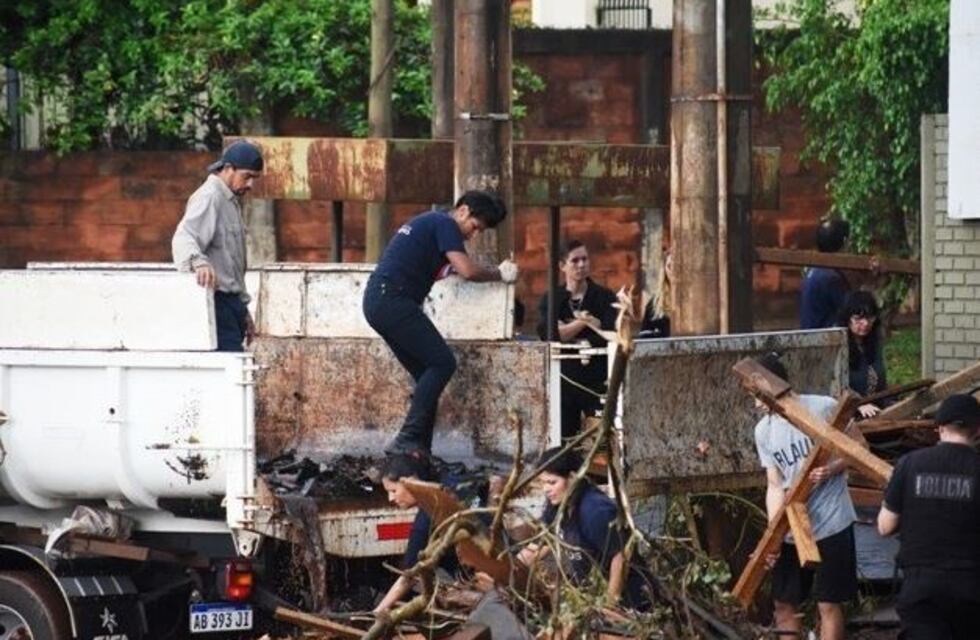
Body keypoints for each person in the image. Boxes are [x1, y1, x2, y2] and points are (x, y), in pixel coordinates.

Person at [363, 191, 517, 455]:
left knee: (428, 374)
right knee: (443, 363)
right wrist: (499, 274)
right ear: (463, 211)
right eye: (475, 227)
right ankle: (407, 438)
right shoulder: (445, 224)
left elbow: (446, 267)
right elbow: (467, 270)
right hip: (393, 300)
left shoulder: (430, 224)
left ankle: (419, 450)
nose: (473, 235)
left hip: (379, 301)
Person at [753, 353, 857, 640]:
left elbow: (859, 447)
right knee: (784, 603)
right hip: (794, 526)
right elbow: (774, 485)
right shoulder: (763, 431)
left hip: (832, 521)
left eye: (758, 394)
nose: (756, 403)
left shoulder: (823, 407)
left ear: (774, 385)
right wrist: (774, 533)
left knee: (828, 603)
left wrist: (832, 469)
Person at [877, 394, 980, 640]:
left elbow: (885, 526)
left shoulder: (909, 464)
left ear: (940, 428)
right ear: (977, 430)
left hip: (920, 587)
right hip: (971, 586)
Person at [519, 446, 652, 610]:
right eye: (543, 482)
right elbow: (538, 546)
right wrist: (508, 569)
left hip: (632, 601)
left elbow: (622, 555)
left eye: (552, 482)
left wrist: (609, 605)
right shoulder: (556, 506)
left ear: (573, 478)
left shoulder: (595, 510)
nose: (546, 489)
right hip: (592, 596)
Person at [172, 140, 263, 352]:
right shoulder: (210, 196)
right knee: (230, 367)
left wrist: (242, 309)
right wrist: (198, 262)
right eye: (247, 176)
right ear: (228, 168)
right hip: (216, 303)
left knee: (235, 365)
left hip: (230, 305)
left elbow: (231, 265)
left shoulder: (229, 200)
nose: (250, 184)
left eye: (254, 178)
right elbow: (184, 236)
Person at [374, 454, 485, 614]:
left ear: (411, 481)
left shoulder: (426, 519)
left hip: (485, 577)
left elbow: (408, 577)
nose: (390, 498)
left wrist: (378, 612)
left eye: (393, 490)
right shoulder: (453, 484)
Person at [535, 240, 617, 439]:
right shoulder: (553, 298)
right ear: (562, 265)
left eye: (585, 259)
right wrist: (585, 322)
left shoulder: (604, 297)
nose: (581, 265)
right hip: (565, 379)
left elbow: (611, 332)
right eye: (575, 261)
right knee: (563, 438)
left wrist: (570, 330)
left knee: (600, 439)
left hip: (597, 379)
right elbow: (549, 334)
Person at [838, 290, 887, 418]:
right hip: (847, 414)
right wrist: (858, 404)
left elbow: (881, 384)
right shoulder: (838, 346)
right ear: (847, 319)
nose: (865, 323)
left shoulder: (874, 344)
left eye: (870, 318)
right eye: (858, 318)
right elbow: (835, 387)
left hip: (875, 411)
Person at [800, 218, 851, 330]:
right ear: (844, 241)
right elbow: (850, 310)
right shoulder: (831, 277)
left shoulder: (814, 270)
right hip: (823, 335)